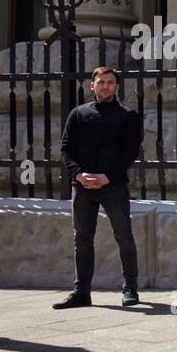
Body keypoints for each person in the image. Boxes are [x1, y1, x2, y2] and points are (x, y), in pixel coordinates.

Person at [53, 66, 143, 309]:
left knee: (123, 236)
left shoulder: (128, 115)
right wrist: (78, 174)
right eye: (101, 82)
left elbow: (130, 153)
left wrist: (108, 177)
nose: (105, 86)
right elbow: (66, 149)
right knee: (82, 239)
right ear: (92, 85)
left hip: (113, 187)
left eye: (111, 82)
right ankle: (81, 292)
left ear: (117, 86)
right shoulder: (78, 114)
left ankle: (130, 290)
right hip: (82, 187)